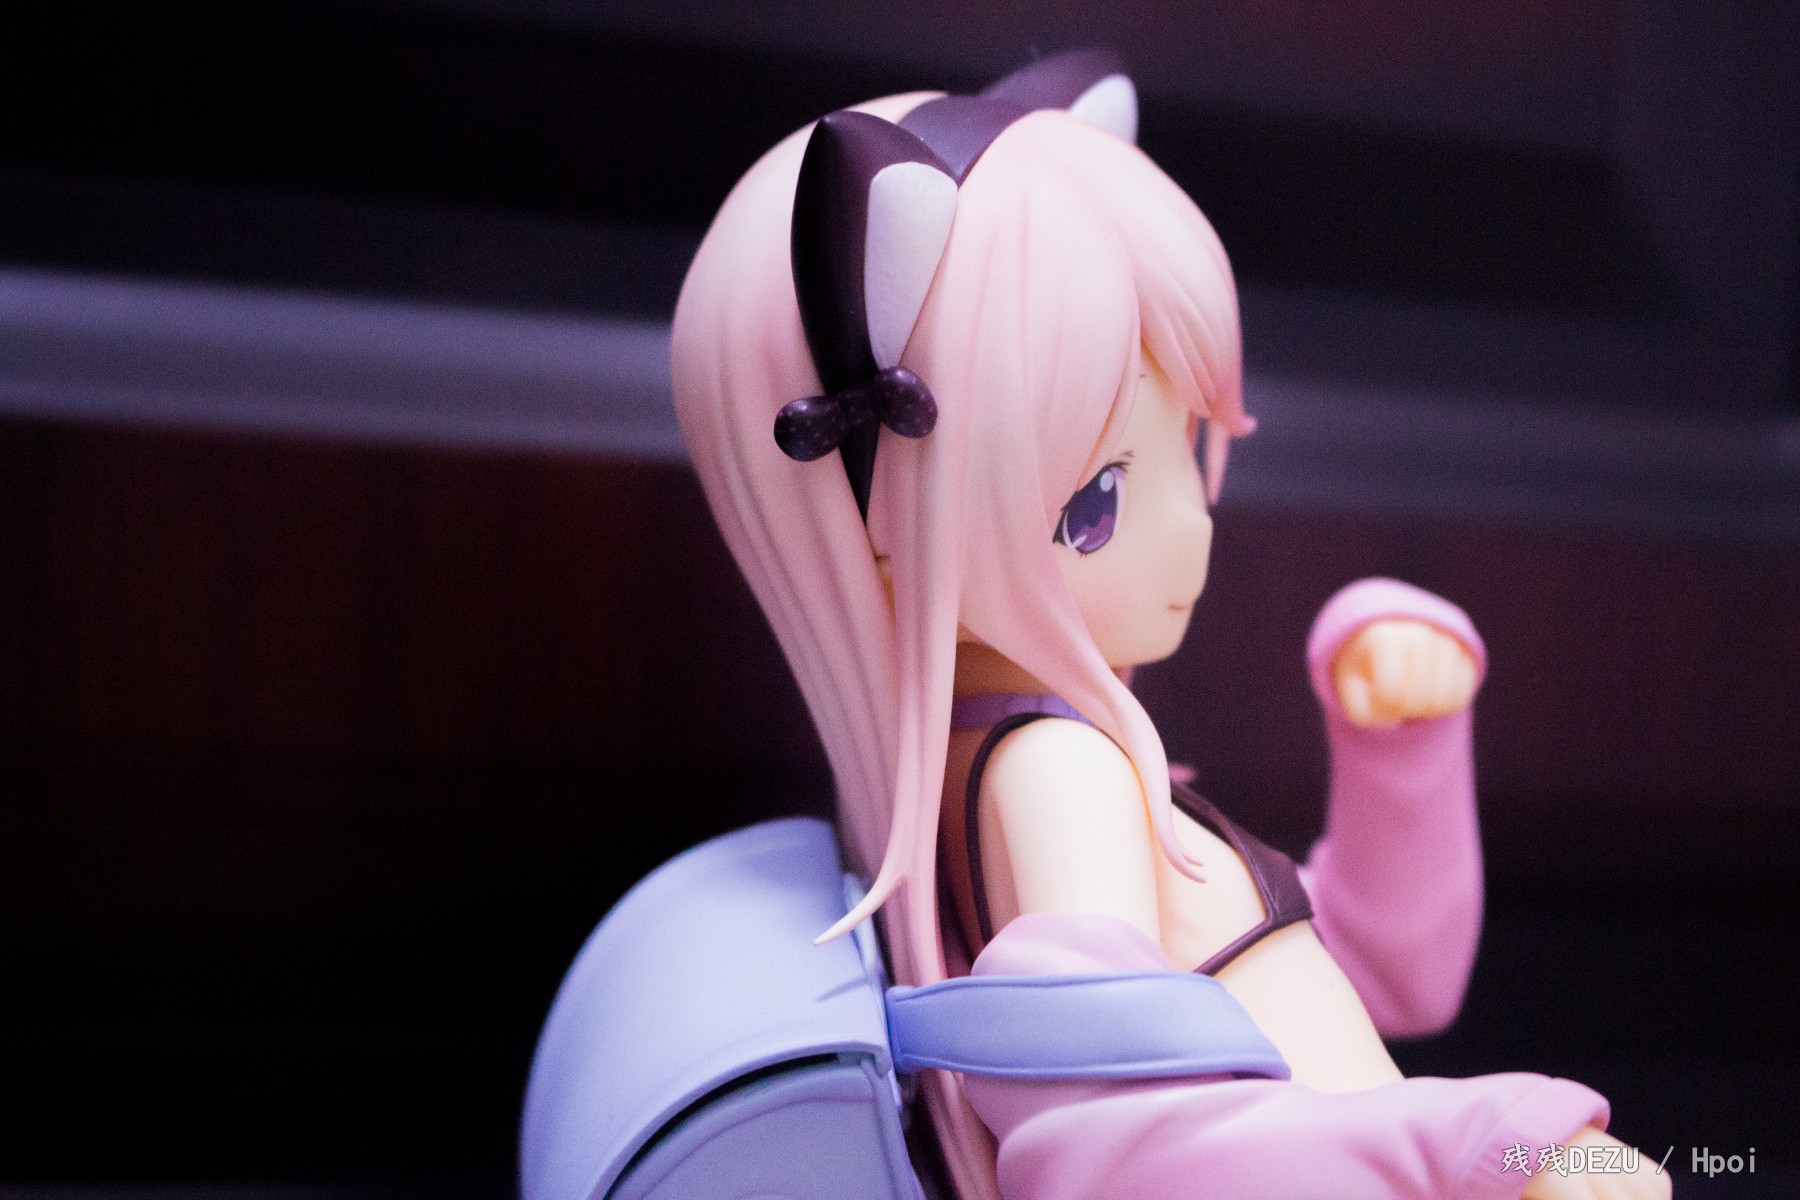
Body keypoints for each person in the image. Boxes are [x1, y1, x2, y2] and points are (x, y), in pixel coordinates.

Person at [670, 51, 1667, 1200]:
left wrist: (1399, 755)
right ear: (872, 527)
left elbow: (1384, 975)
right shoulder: (1059, 774)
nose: (1191, 528)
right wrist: (1479, 1146)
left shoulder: (988, 769)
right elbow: (1113, 1151)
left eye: (1190, 446)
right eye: (1095, 505)